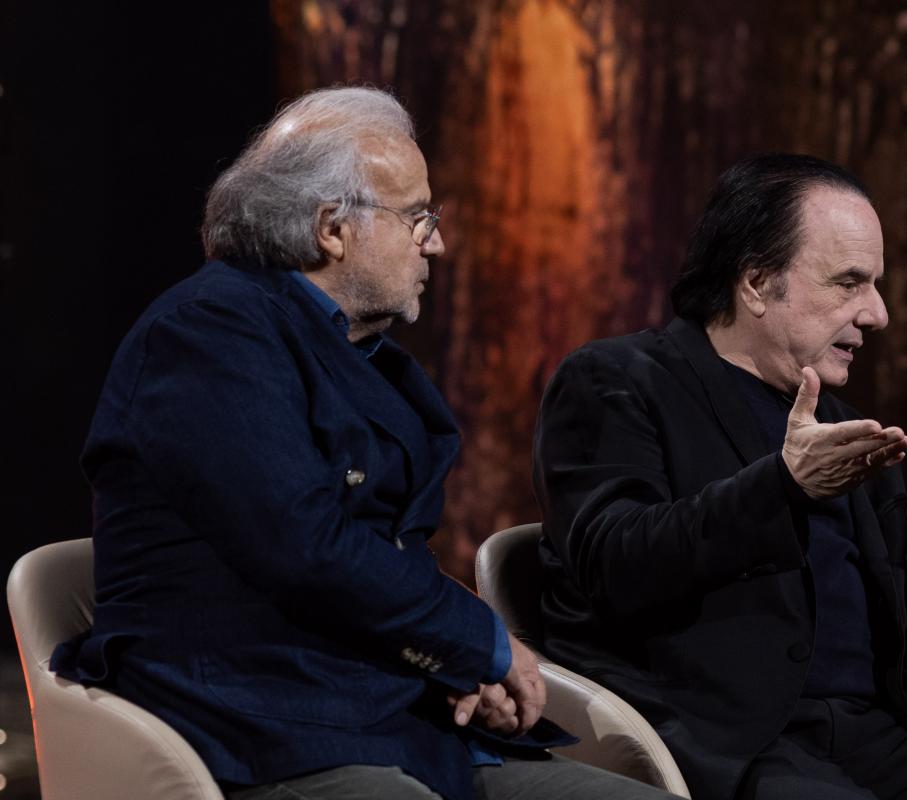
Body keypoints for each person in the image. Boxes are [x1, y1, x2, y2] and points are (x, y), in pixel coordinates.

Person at [52, 87, 674, 800]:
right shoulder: (207, 334)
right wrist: (480, 642)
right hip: (257, 726)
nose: (435, 242)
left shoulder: (359, 353)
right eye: (418, 217)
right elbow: (305, 544)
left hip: (391, 715)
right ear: (332, 230)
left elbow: (385, 554)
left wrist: (458, 663)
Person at [533, 154, 907, 800]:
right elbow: (616, 566)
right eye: (849, 283)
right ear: (755, 282)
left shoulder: (844, 426)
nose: (878, 313)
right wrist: (784, 486)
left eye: (875, 284)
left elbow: (902, 641)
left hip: (880, 733)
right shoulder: (617, 382)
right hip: (728, 737)